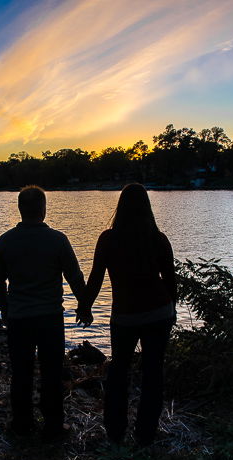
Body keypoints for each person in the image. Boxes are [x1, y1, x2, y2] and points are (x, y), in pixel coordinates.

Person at [79, 183, 176, 446]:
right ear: (147, 207)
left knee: (119, 373)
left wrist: (85, 306)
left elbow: (96, 278)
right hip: (159, 313)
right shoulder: (158, 239)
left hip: (125, 316)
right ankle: (145, 434)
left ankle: (115, 432)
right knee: (153, 372)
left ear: (120, 208)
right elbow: (170, 280)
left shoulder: (109, 239)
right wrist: (173, 309)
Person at [0, 185, 89, 439]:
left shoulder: (6, 240)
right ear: (44, 209)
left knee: (21, 372)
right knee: (52, 373)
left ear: (20, 209)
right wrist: (84, 305)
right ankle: (54, 425)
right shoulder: (58, 240)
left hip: (19, 318)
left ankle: (22, 423)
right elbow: (75, 277)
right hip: (49, 319)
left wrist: (4, 307)